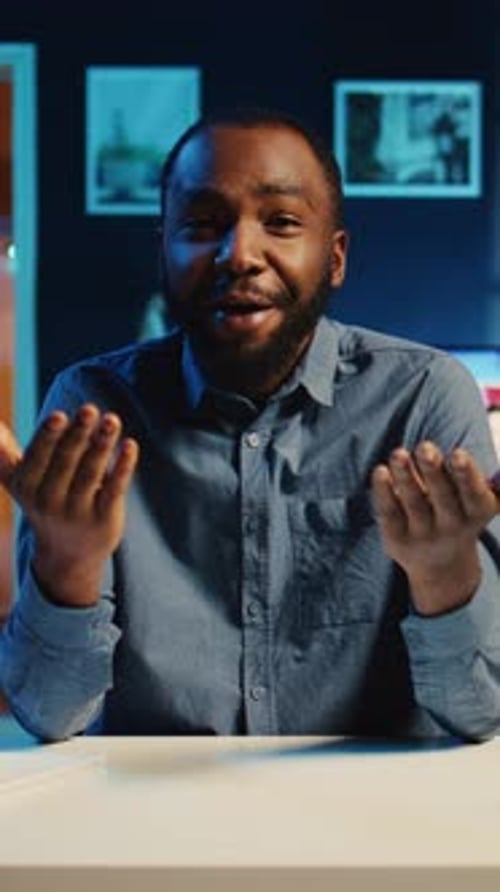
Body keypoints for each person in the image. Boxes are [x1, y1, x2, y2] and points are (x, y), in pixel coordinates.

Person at [1, 108, 500, 742]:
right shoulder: (95, 406)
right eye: (202, 225)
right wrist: (68, 562)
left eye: (283, 223)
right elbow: (45, 713)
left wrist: (441, 573)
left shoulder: (425, 399)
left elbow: (480, 714)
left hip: (373, 831)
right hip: (154, 827)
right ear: (165, 250)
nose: (239, 254)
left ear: (335, 257)